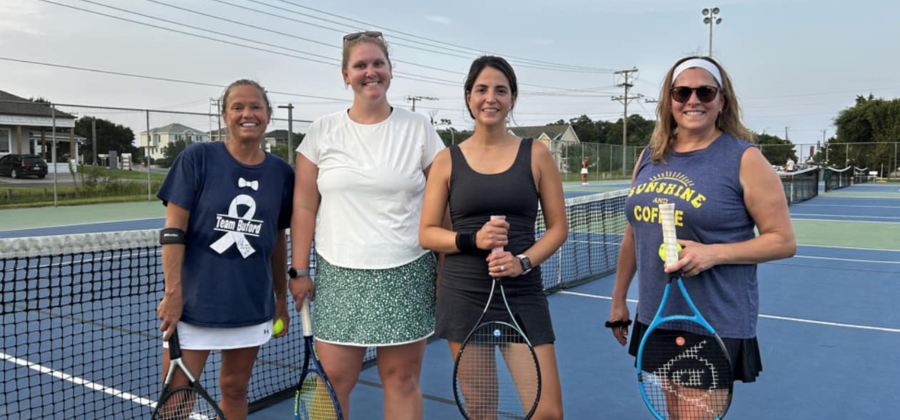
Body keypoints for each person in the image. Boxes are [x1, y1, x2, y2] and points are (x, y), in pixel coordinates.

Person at [606, 56, 796, 417]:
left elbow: (783, 240)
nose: (693, 100)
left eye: (705, 92)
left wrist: (713, 254)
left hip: (712, 320)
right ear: (669, 100)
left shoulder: (744, 158)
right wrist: (619, 299)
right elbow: (634, 231)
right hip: (656, 316)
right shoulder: (649, 157)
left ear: (721, 100)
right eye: (682, 92)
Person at [288, 31, 445, 420]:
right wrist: (299, 269)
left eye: (378, 64)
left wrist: (446, 264)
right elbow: (305, 205)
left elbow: (443, 200)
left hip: (408, 271)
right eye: (360, 65)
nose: (370, 72)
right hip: (339, 274)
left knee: (402, 379)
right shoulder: (322, 131)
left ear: (390, 71)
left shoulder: (419, 129)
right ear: (345, 75)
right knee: (335, 380)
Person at [419, 55, 568, 420]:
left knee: (546, 411)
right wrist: (473, 240)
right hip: (464, 294)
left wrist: (523, 262)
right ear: (468, 96)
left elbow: (558, 228)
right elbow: (427, 234)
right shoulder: (446, 160)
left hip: (522, 294)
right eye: (481, 89)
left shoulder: (536, 154)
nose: (491, 98)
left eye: (501, 90)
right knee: (481, 410)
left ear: (513, 98)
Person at [156, 79, 294, 420]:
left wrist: (280, 297)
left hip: (250, 303)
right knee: (175, 400)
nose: (247, 114)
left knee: (235, 389)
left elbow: (277, 239)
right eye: (238, 107)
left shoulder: (281, 173)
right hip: (193, 305)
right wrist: (173, 293)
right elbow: (173, 231)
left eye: (255, 107)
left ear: (268, 115)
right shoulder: (197, 158)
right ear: (224, 116)